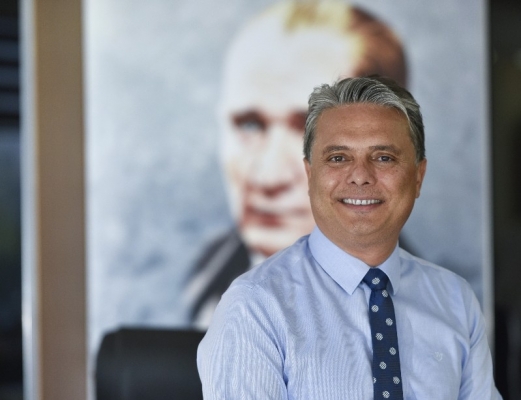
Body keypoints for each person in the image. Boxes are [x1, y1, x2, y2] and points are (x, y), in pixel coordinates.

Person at [197, 76, 502, 399]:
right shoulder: (254, 307)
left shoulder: (455, 300)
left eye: (383, 157)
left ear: (418, 177)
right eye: (338, 158)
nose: (360, 176)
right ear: (310, 175)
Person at [185, 0, 409, 326]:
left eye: (309, 129)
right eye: (250, 124)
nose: (269, 176)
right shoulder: (197, 278)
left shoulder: (441, 309)